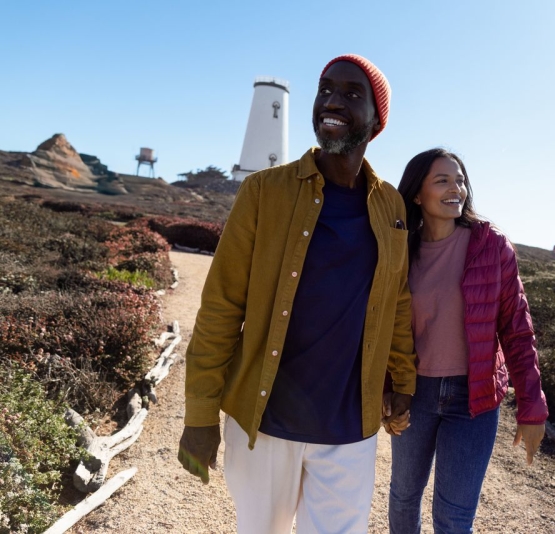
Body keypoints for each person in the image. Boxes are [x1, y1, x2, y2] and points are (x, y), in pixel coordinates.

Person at [177, 54, 416, 534]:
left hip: (350, 429)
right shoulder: (265, 191)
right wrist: (200, 414)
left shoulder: (390, 204)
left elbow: (398, 301)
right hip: (265, 422)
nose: (332, 100)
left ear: (376, 119)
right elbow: (222, 306)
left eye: (351, 94)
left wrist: (404, 380)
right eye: (325, 88)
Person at [388, 148, 549, 533]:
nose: (455, 188)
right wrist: (385, 391)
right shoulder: (399, 250)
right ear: (416, 194)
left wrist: (531, 407)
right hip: (415, 393)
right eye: (442, 180)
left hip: (474, 399)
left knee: (454, 517)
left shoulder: (490, 245)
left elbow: (517, 329)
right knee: (404, 495)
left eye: (459, 179)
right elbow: (383, 330)